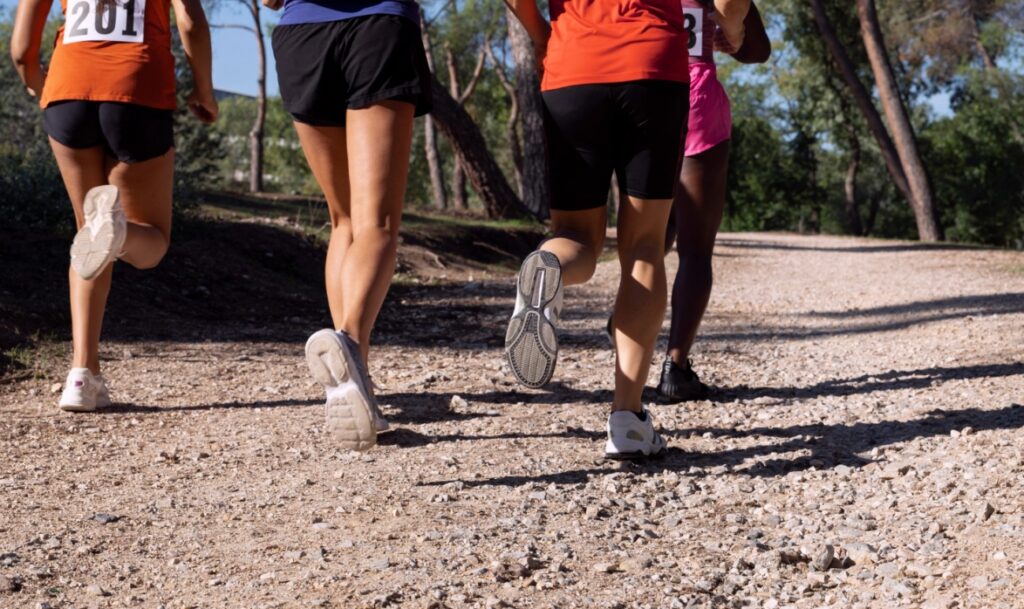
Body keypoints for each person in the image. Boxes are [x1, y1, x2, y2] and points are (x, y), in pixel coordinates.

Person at [504, 0, 751, 459]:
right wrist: (732, 29)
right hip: (653, 67)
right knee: (643, 247)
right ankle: (627, 419)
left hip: (572, 66)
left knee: (574, 234)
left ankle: (549, 265)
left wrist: (542, 36)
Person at [10, 0, 217, 411]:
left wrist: (38, 82)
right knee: (150, 241)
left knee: (89, 236)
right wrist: (204, 89)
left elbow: (20, 48)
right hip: (138, 89)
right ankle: (118, 229)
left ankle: (81, 377)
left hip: (68, 90)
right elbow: (191, 21)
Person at [262, 0, 432, 451]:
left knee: (344, 219)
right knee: (376, 222)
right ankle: (350, 345)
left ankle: (356, 383)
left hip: (303, 36)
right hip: (377, 26)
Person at [656, 0, 770, 402]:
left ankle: (628, 320)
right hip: (696, 100)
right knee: (695, 249)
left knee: (649, 234)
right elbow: (759, 50)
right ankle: (676, 366)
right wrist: (733, 38)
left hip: (641, 97)